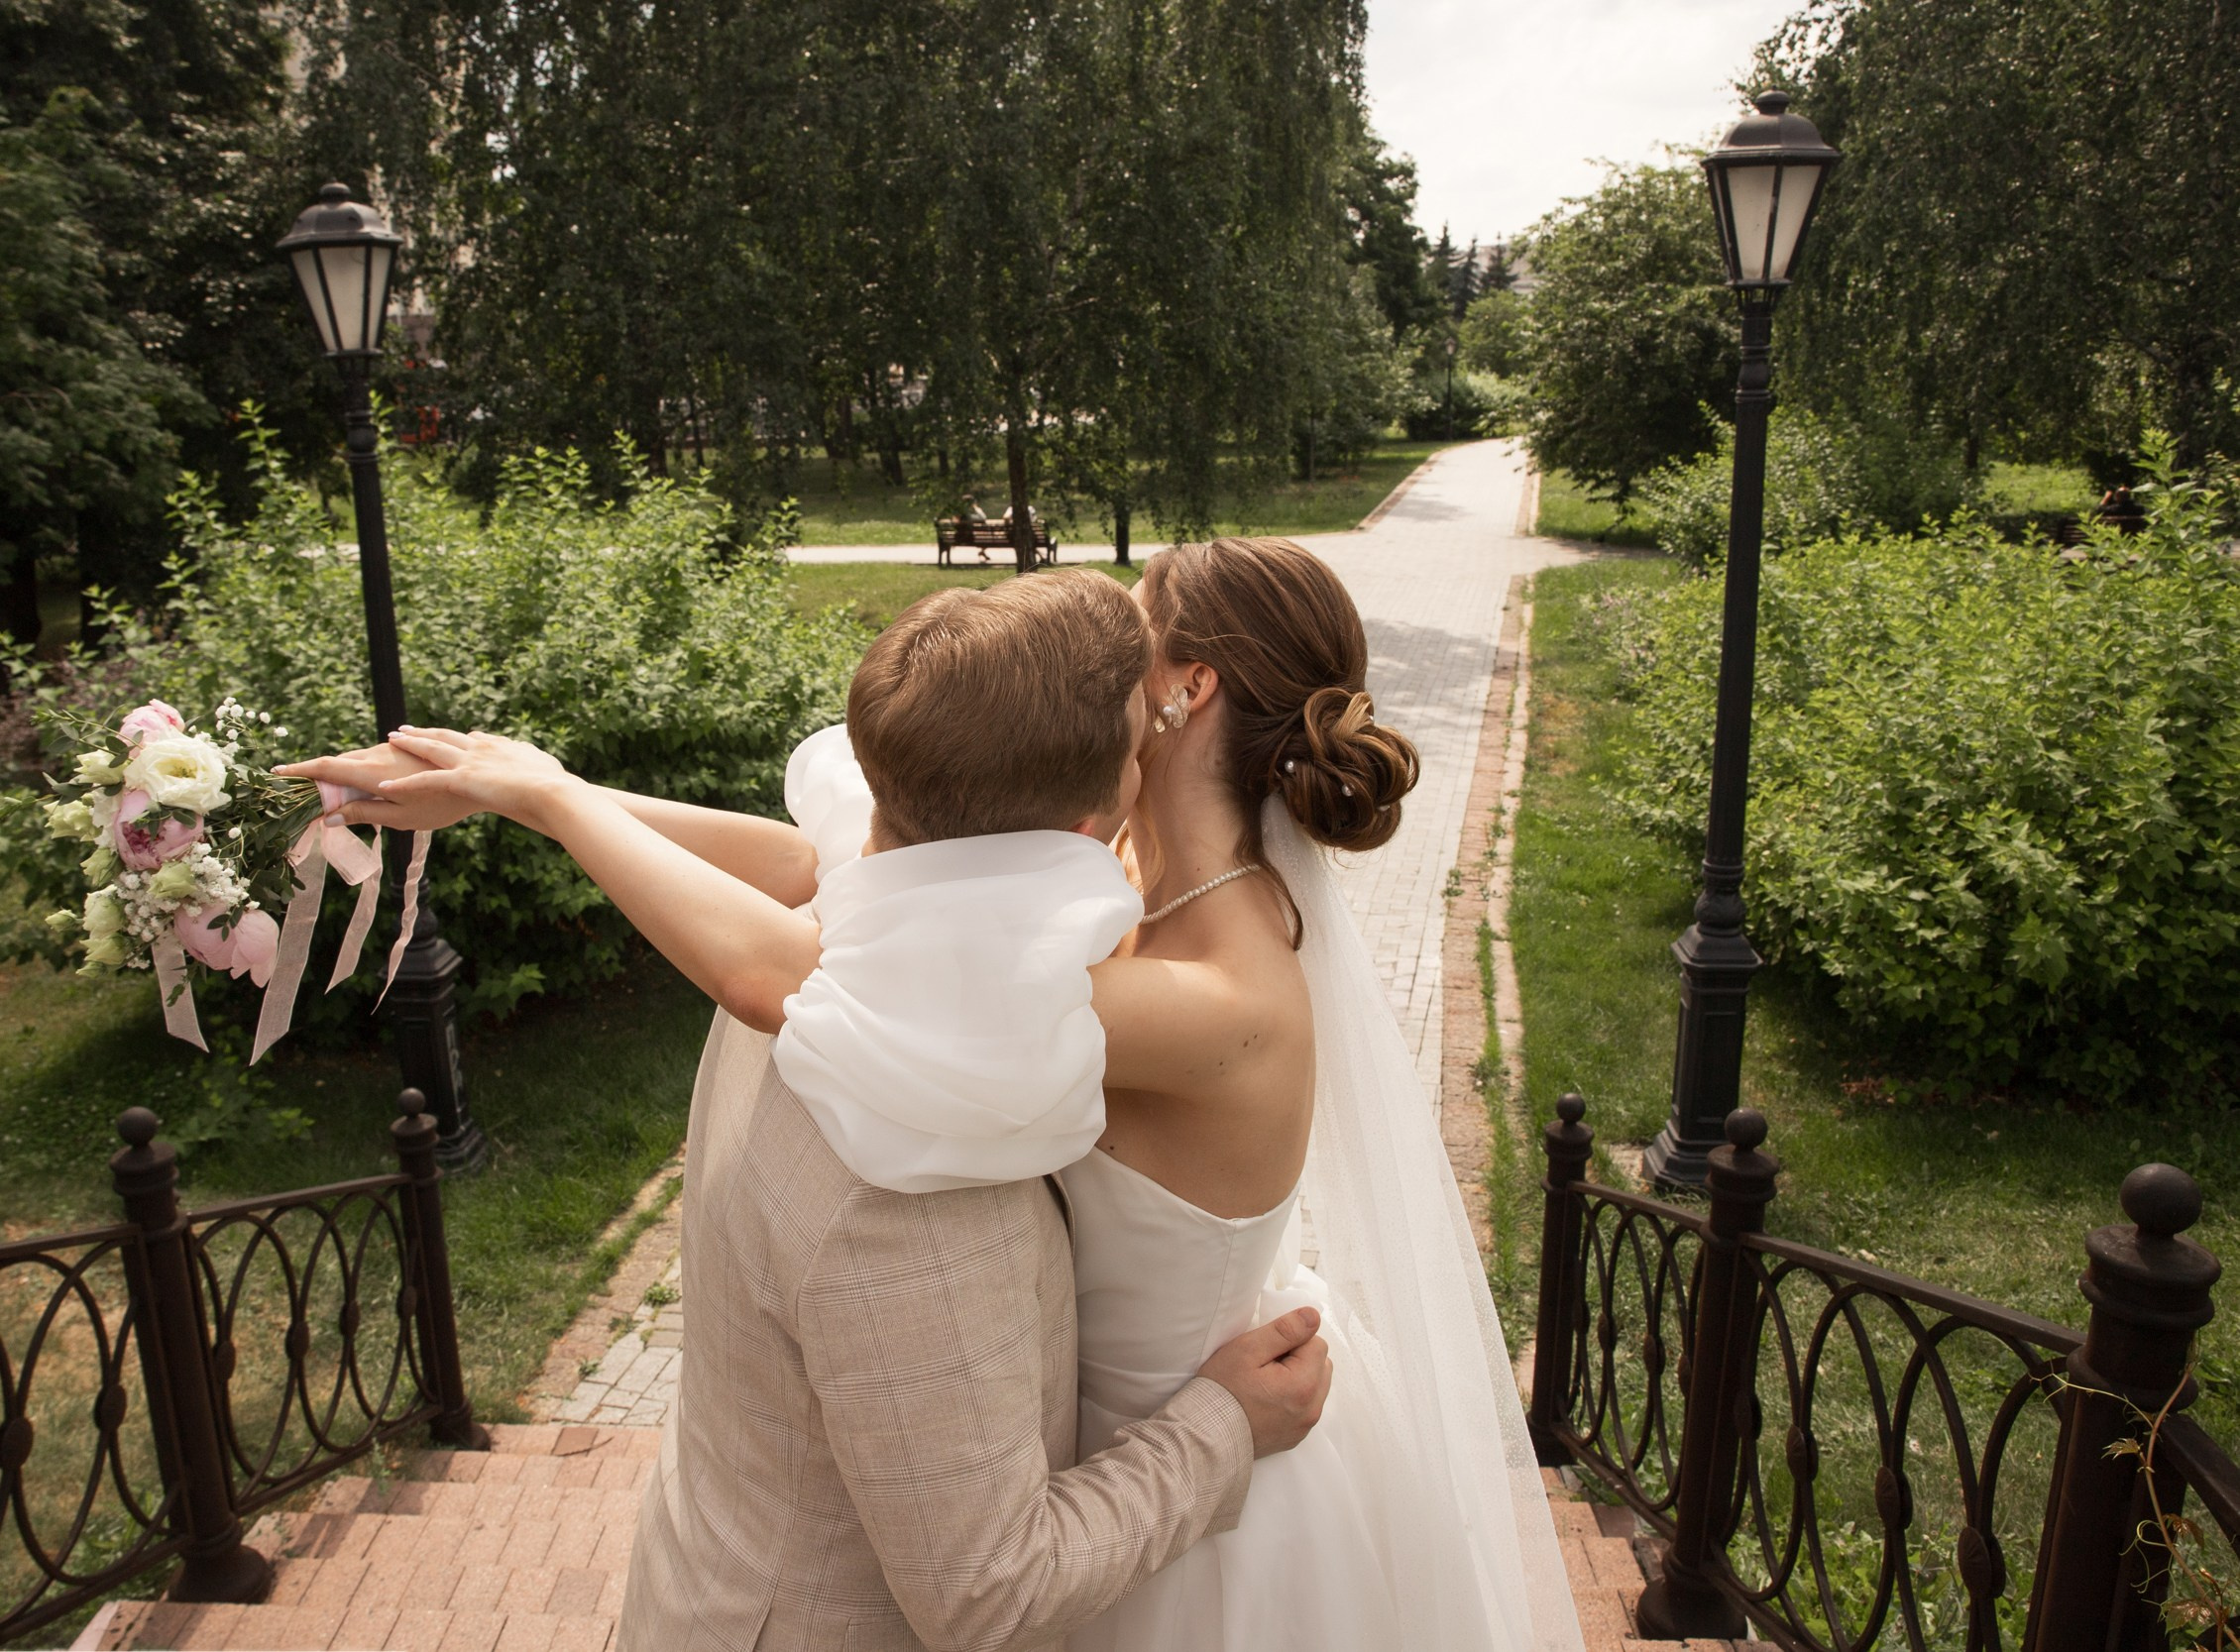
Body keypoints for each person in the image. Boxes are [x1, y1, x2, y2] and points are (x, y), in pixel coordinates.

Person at [287, 542, 1584, 1650]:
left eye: (1134, 626)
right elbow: (825, 871)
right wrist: (540, 794)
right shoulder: (1117, 858)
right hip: (1064, 1475)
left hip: (1193, 1507)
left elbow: (799, 960)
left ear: (1185, 690)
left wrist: (552, 799)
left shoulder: (1226, 1002)